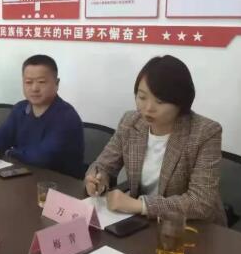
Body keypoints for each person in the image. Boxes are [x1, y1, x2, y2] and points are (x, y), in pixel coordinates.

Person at [85, 55, 227, 225]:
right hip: (144, 224)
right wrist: (97, 179)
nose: (148, 108)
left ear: (181, 102)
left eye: (159, 101)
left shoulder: (205, 132)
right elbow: (103, 165)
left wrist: (140, 205)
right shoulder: (131, 121)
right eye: (142, 97)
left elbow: (200, 202)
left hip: (191, 226)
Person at [0, 55, 85, 178]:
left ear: (56, 84)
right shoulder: (20, 108)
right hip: (25, 175)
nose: (34, 88)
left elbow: (42, 157)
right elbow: (2, 135)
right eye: (28, 82)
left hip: (60, 183)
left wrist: (9, 152)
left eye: (41, 82)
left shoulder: (67, 117)